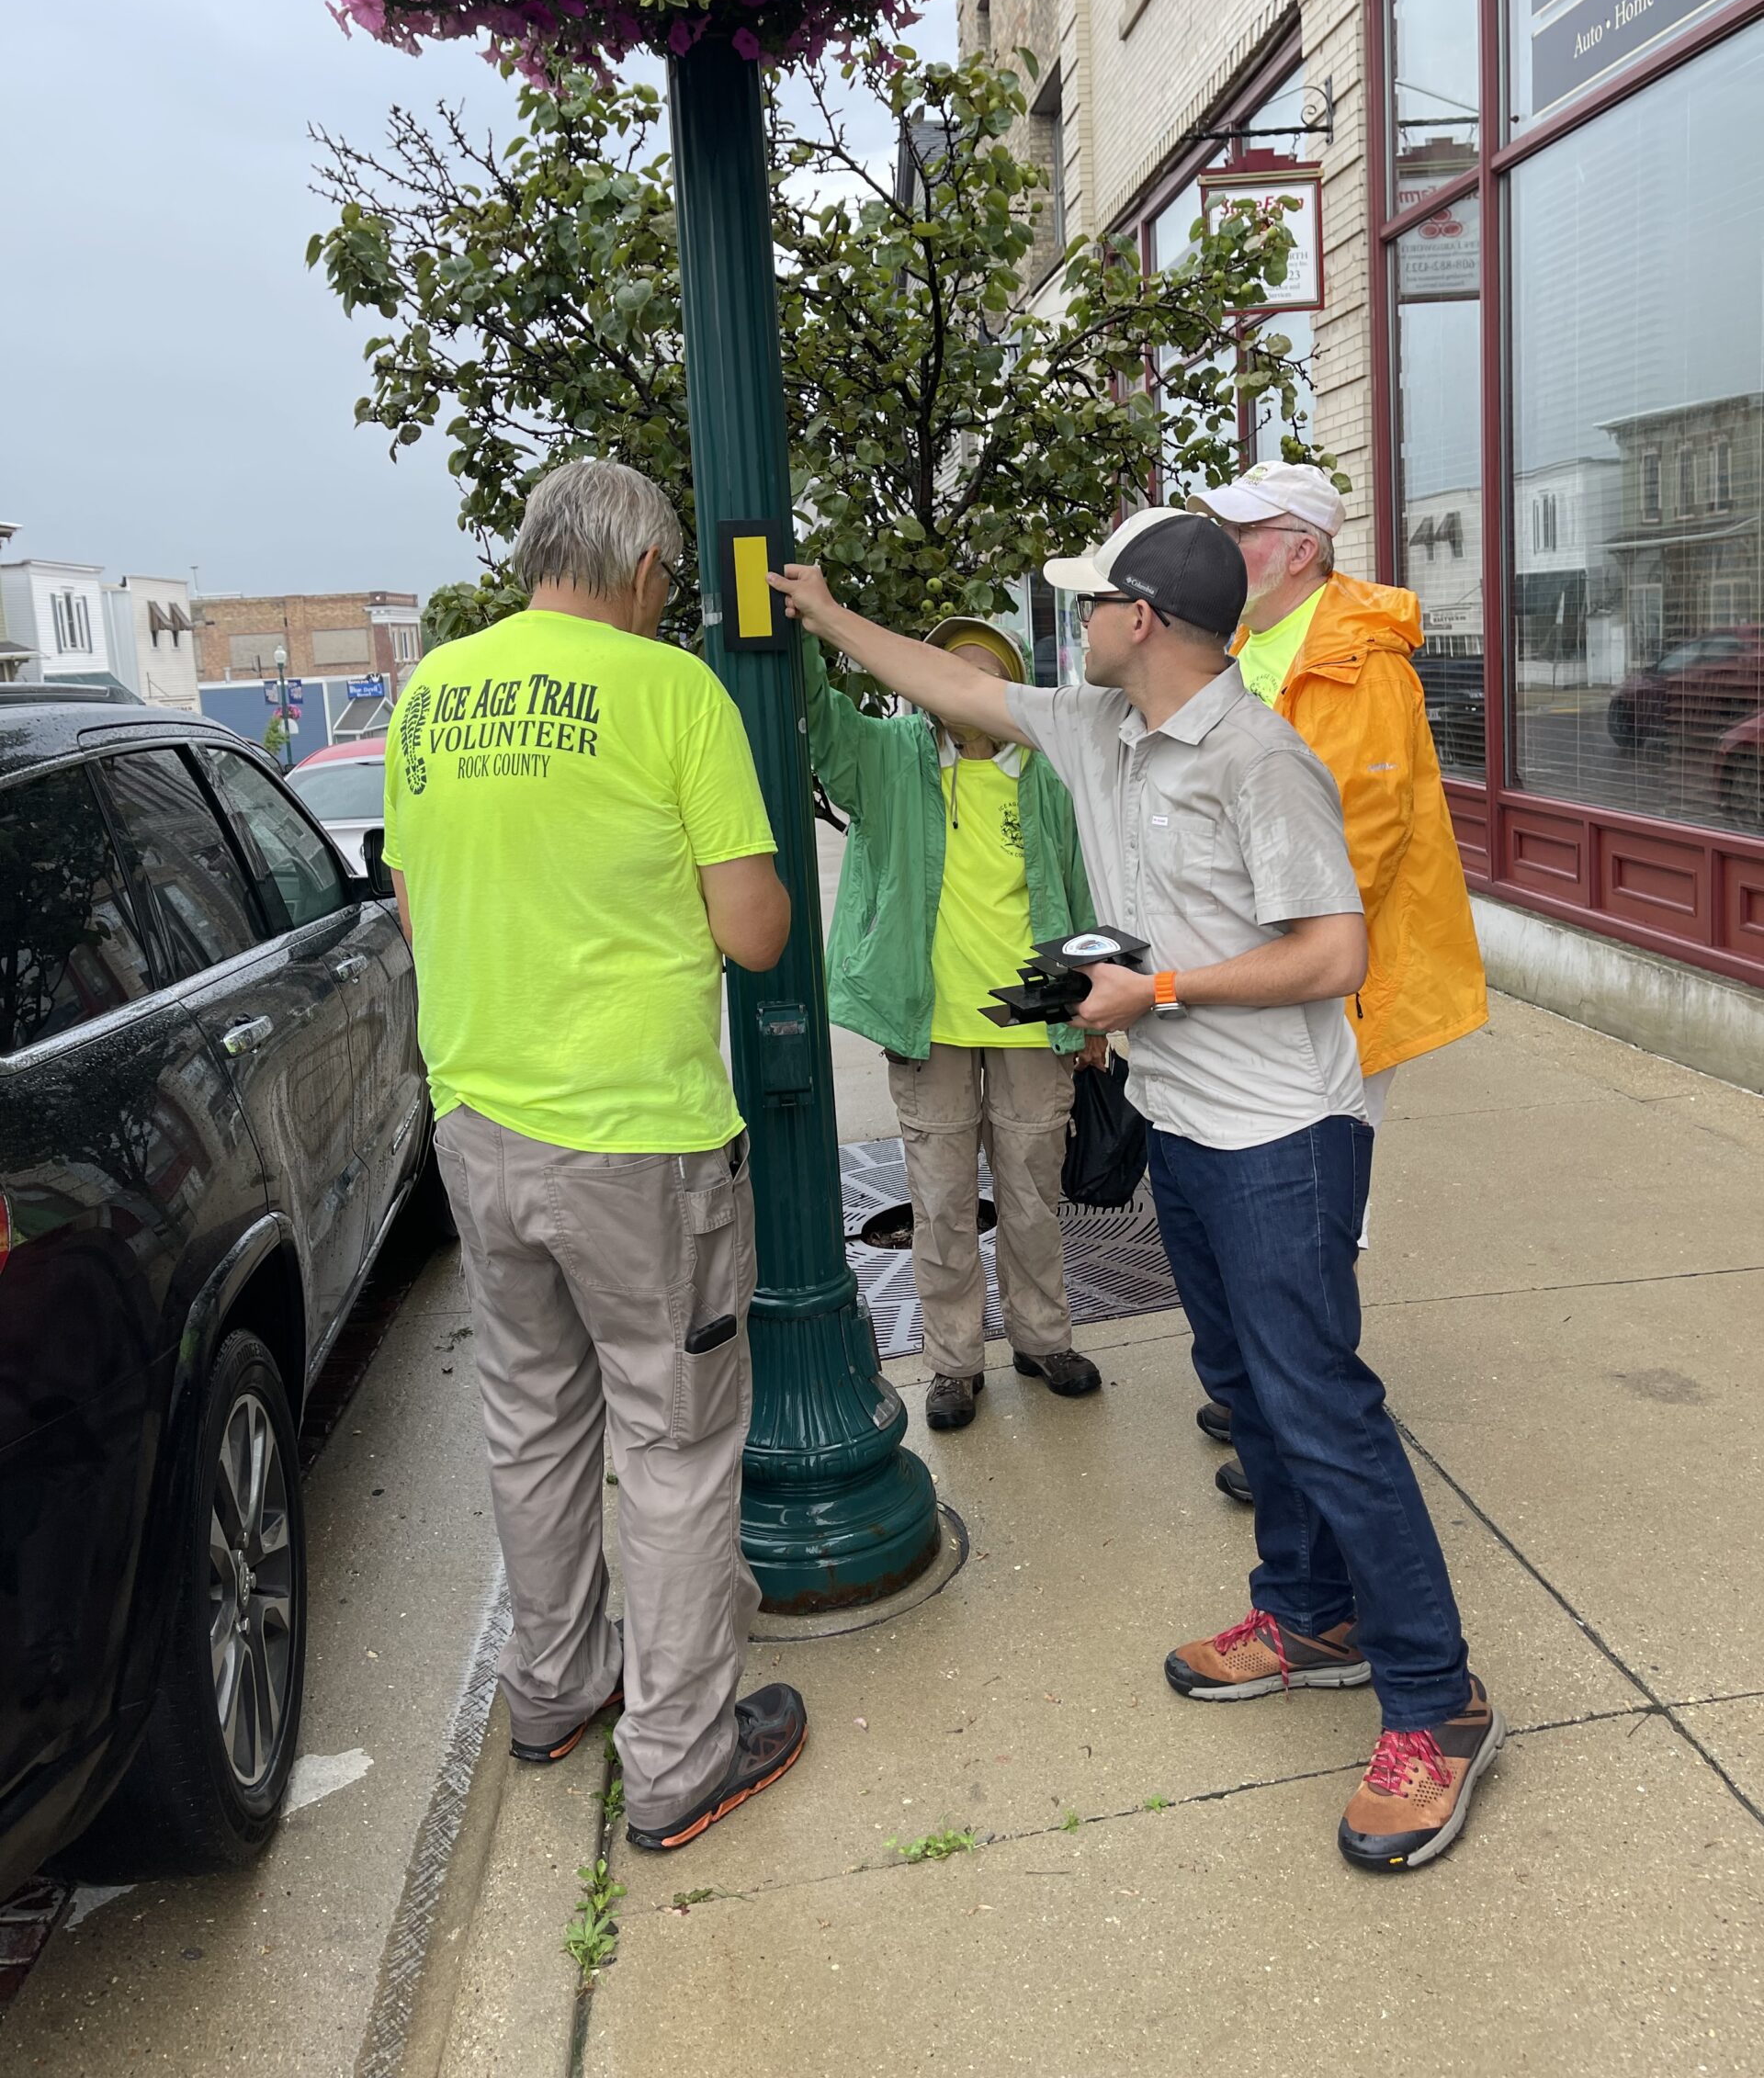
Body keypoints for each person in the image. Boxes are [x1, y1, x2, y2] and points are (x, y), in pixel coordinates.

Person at [770, 516, 1504, 1872]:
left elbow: (1334, 951)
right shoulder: (1102, 731)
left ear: (1146, 620)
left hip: (1284, 1133)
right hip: (1188, 1124)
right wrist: (821, 611)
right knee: (1252, 1391)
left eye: (1089, 603)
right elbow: (961, 690)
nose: (1073, 625)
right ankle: (1304, 1612)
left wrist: (1153, 991)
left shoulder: (1257, 756)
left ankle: (1435, 1700)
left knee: (1324, 1410)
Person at [383, 457, 807, 1857]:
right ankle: (681, 1758)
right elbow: (754, 934)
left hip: (478, 1123)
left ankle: (554, 1689)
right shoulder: (668, 689)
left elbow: (411, 895)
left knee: (533, 1416)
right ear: (640, 573)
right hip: (636, 1136)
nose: (666, 605)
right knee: (676, 1445)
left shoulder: (429, 691)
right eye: (668, 587)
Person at [1186, 460, 1488, 1505]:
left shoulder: (1359, 664)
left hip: (1338, 991)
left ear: (1299, 549)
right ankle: (1270, 1397)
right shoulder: (1252, 646)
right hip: (1274, 979)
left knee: (1313, 1214)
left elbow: (1353, 851)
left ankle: (1303, 1429)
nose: (1218, 552)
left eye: (1238, 534)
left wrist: (1217, 961)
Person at [805, 617, 1104, 1430]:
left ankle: (1044, 1341)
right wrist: (802, 620)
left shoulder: (1046, 775)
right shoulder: (889, 759)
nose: (960, 686)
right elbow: (818, 714)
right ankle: (953, 1364)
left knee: (1034, 1199)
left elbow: (1082, 890)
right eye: (947, 670)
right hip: (928, 1025)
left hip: (1032, 1026)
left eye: (982, 673)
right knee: (940, 1207)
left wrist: (1094, 1012)